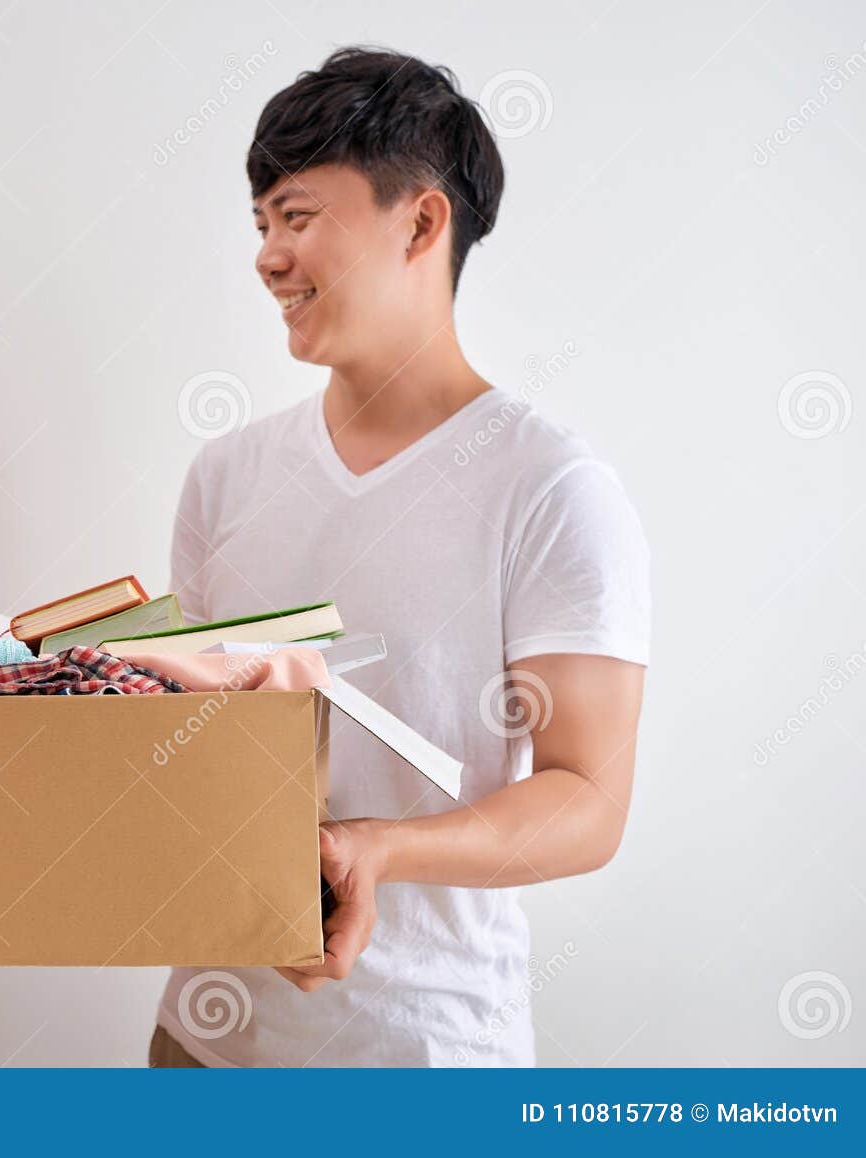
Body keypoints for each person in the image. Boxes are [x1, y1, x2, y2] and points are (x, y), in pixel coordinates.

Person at [150, 47, 650, 1067]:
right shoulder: (227, 475)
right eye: (260, 225)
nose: (266, 257)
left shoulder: (547, 486)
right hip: (201, 1040)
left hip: (420, 1054)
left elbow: (587, 801)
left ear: (420, 222)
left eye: (295, 218)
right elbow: (191, 743)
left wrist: (379, 849)